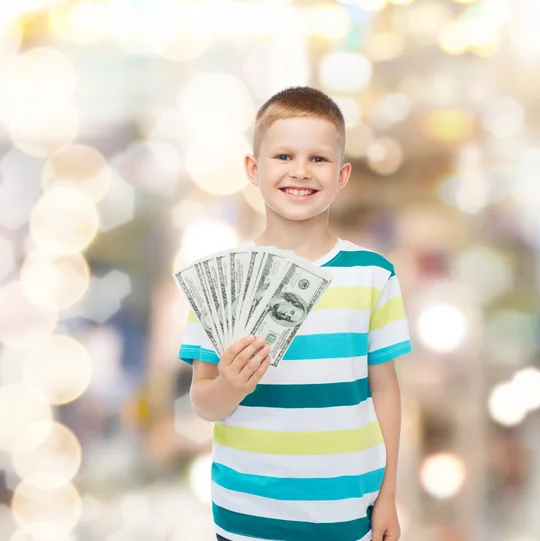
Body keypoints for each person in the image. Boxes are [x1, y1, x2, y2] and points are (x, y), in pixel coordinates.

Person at [178, 86, 412, 541]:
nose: (300, 171)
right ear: (253, 169)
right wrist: (228, 386)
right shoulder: (222, 281)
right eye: (283, 156)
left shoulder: (372, 275)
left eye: (318, 159)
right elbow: (202, 403)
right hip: (245, 514)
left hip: (347, 513)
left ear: (342, 175)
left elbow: (386, 390)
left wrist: (388, 497)